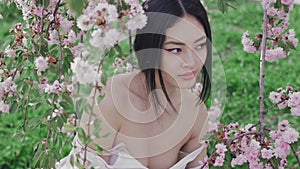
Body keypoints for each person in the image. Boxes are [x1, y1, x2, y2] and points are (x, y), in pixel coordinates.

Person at [57, 0, 211, 168]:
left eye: (200, 45)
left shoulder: (195, 112)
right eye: (175, 50)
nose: (192, 61)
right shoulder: (111, 101)